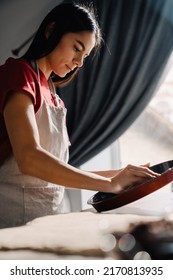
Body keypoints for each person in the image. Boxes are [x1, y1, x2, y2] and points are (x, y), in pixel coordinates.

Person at [0, 2, 159, 228]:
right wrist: (111, 184)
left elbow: (57, 174)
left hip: (47, 219)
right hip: (11, 220)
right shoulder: (20, 73)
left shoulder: (55, 97)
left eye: (85, 55)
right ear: (51, 31)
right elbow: (29, 159)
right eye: (77, 48)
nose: (79, 63)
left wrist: (124, 176)